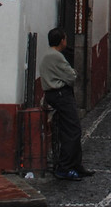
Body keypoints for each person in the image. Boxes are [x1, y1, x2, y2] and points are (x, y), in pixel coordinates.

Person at [38, 28, 93, 182]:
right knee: (72, 130)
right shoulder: (56, 57)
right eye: (65, 39)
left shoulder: (49, 54)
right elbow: (71, 76)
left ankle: (75, 165)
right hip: (61, 95)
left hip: (56, 95)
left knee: (71, 129)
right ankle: (65, 167)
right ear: (62, 40)